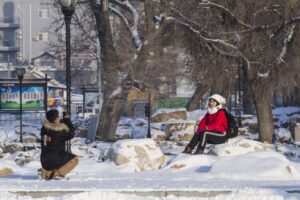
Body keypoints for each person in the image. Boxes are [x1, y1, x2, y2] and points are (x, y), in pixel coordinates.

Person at [38, 109, 79, 180]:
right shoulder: (59, 131)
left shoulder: (43, 129)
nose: (59, 118)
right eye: (58, 117)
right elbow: (71, 133)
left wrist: (60, 123)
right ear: (56, 119)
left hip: (44, 160)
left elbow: (52, 128)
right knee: (75, 159)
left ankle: (45, 173)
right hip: (55, 159)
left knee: (54, 164)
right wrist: (67, 121)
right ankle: (58, 174)